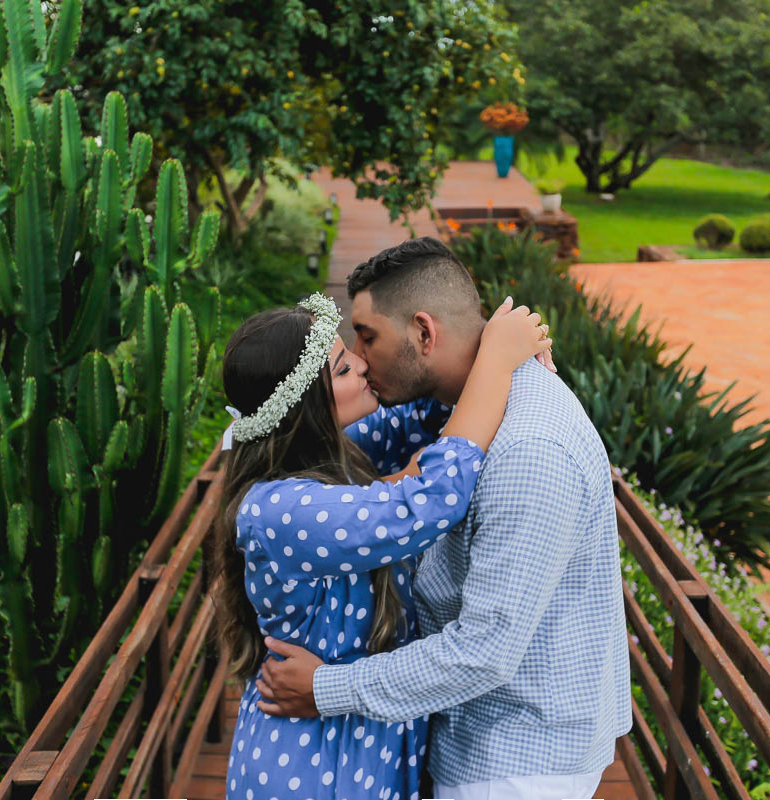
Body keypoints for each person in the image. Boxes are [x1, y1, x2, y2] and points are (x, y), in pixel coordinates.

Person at [255, 237, 633, 800]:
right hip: (470, 737)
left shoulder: (529, 449)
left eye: (367, 336)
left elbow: (483, 652)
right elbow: (306, 436)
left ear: (424, 334)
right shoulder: (465, 407)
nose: (359, 359)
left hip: (512, 763)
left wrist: (327, 688)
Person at [207, 290, 553, 800]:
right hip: (310, 761)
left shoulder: (334, 455)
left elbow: (418, 416)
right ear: (311, 406)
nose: (364, 367)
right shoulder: (277, 509)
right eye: (345, 369)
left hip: (365, 738)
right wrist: (498, 359)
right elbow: (430, 499)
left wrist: (475, 348)